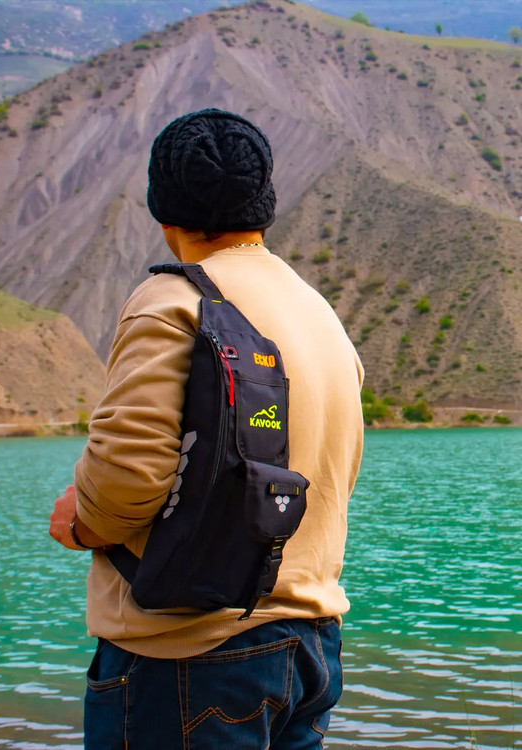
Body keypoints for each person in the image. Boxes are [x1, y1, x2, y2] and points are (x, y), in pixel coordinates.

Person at [49, 108, 364, 749]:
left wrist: (81, 522)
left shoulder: (173, 302)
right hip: (310, 646)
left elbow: (128, 476)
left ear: (163, 210)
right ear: (263, 204)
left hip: (190, 655)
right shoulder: (317, 311)